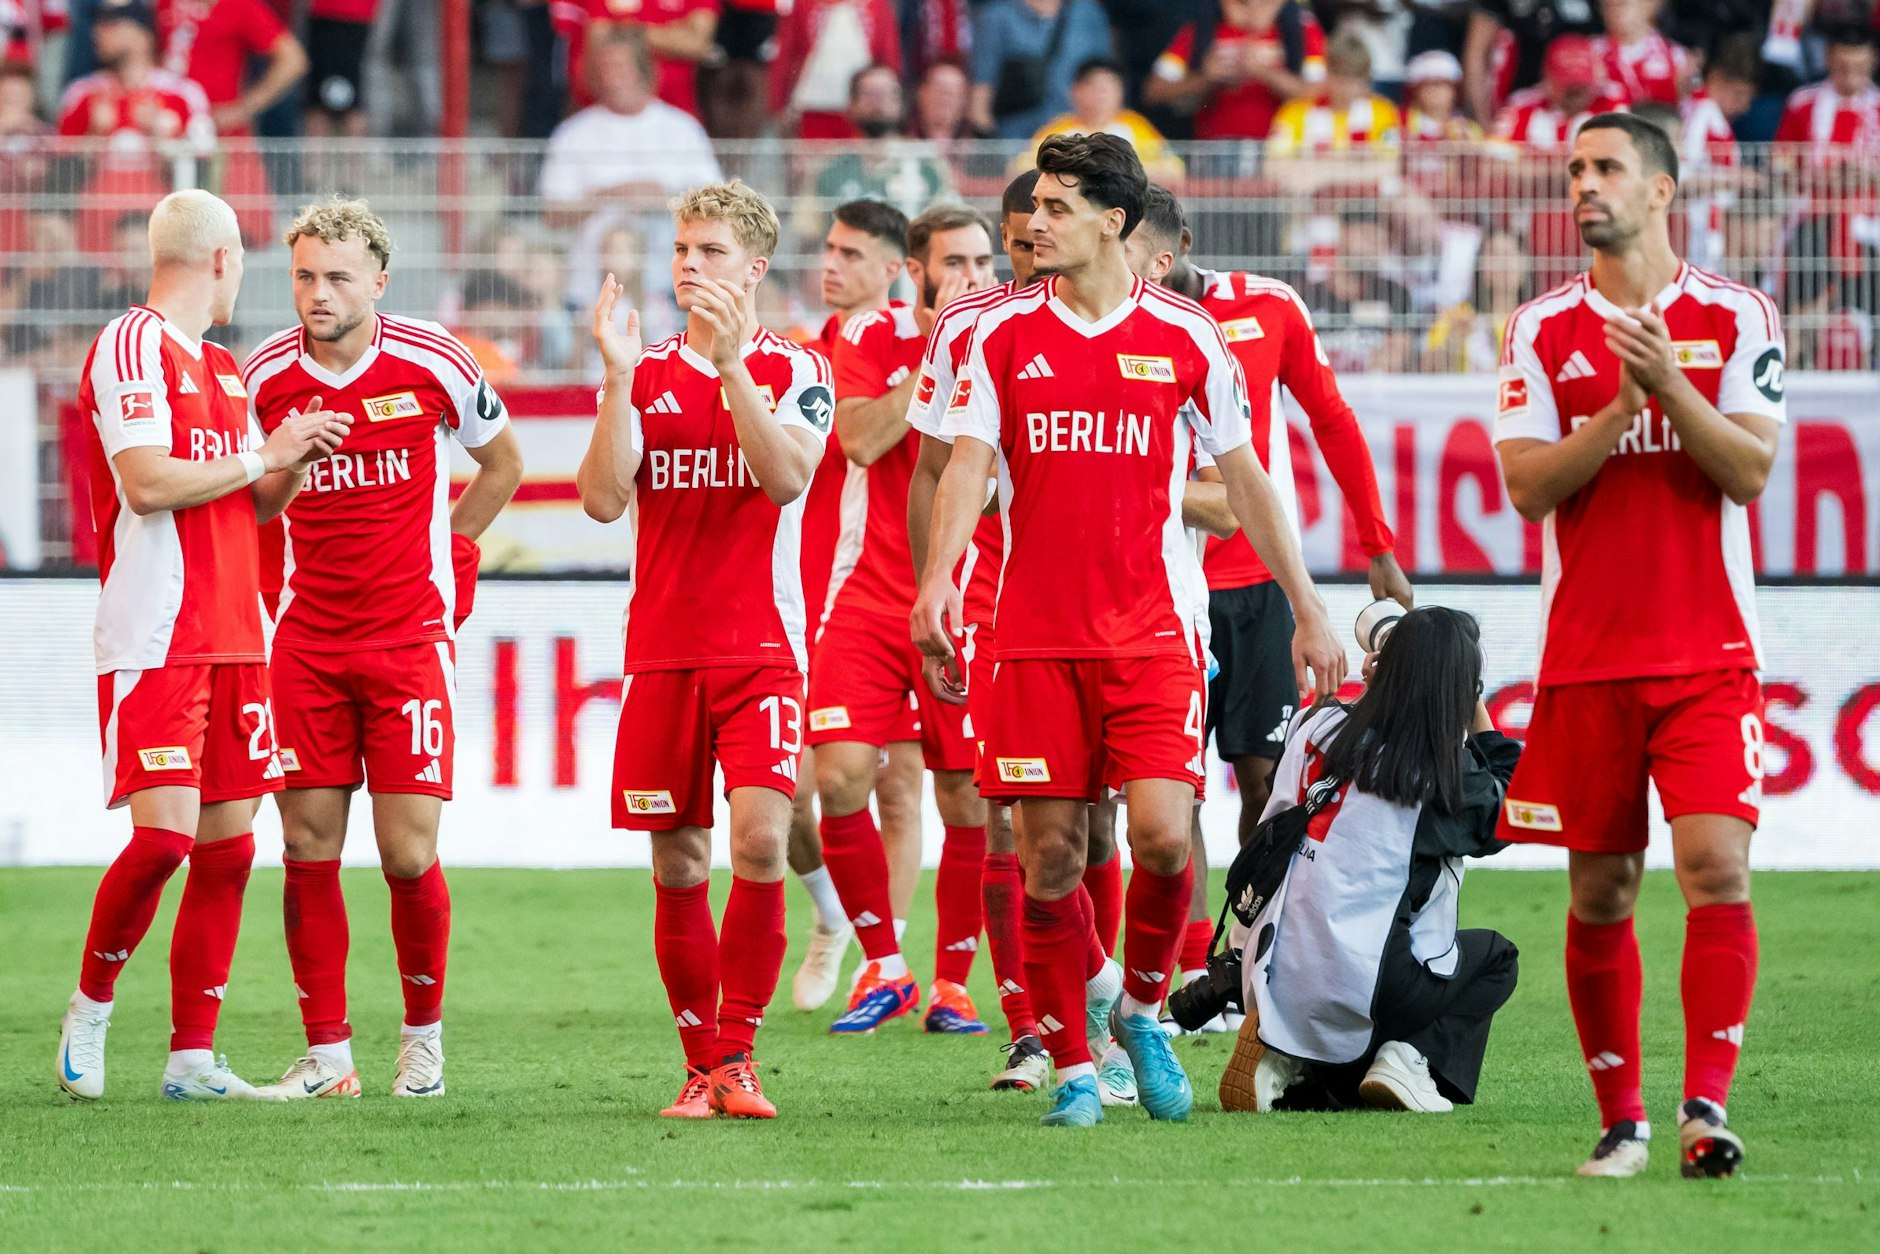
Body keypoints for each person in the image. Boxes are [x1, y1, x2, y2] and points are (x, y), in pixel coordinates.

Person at [913, 133, 1346, 1128]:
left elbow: (1246, 480)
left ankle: (1141, 1007)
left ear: (1113, 219)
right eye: (1035, 210)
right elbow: (967, 467)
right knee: (1048, 855)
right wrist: (936, 582)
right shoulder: (998, 337)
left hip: (1153, 631)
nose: (1036, 224)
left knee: (1158, 839)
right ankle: (1073, 1064)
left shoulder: (1189, 337)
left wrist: (1309, 605)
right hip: (1027, 633)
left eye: (1058, 207)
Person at [1494, 112, 1785, 1178]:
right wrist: (1619, 411)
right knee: (1599, 893)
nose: (1582, 183)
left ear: (1660, 189)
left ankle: (1703, 1107)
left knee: (1713, 869)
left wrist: (1667, 387)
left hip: (1707, 653)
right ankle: (1619, 1120)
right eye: (1572, 168)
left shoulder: (1733, 314)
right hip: (1584, 660)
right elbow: (1526, 488)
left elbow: (1748, 474)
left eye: (1605, 167)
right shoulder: (1537, 329)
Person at [55, 188, 351, 1104]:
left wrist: (296, 456)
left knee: (229, 847)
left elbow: (246, 500)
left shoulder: (223, 371)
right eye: (247, 262)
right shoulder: (132, 344)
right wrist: (263, 456)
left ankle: (192, 1056)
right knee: (164, 840)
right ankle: (90, 1007)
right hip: (158, 633)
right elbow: (146, 484)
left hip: (235, 636)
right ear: (221, 259)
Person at [239, 200, 522, 1102]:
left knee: (406, 853)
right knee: (306, 844)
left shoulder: (435, 359)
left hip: (407, 643)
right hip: (307, 642)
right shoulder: (266, 377)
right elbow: (247, 507)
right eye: (304, 276)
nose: (317, 294)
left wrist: (452, 553)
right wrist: (282, 459)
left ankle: (423, 1043)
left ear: (379, 283)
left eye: (337, 278)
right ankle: (327, 1055)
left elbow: (504, 462)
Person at [575, 180, 834, 1120]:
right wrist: (612, 378)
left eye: (711, 251)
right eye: (682, 249)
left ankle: (739, 1055)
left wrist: (730, 371)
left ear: (756, 267)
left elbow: (787, 477)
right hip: (662, 654)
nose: (689, 264)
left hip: (762, 649)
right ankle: (697, 1067)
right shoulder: (641, 374)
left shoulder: (797, 368)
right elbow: (604, 499)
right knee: (678, 863)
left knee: (761, 840)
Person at [1136, 187, 1409, 1020]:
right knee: (1169, 794)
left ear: (1179, 242)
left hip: (1259, 589)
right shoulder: (1116, 325)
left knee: (1264, 781)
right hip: (1163, 589)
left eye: (1153, 251)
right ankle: (1185, 972)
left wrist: (1378, 543)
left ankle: (1238, 955)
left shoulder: (1267, 307)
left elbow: (1331, 419)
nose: (1140, 268)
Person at [1219, 607, 1521, 1115]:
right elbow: (1513, 810)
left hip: (1266, 961)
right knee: (1495, 958)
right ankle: (1405, 1058)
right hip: (1368, 985)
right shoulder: (1438, 775)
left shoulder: (1315, 724)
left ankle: (1287, 1055)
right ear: (1458, 688)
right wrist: (1475, 711)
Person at [810, 201, 993, 1037]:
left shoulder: (1007, 341)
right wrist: (931, 357)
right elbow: (858, 439)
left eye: (984, 264)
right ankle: (883, 966)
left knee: (962, 795)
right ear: (914, 273)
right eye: (955, 265)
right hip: (869, 594)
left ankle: (953, 982)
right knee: (842, 775)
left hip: (966, 596)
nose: (974, 280)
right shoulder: (871, 337)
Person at [786, 200, 926, 1016]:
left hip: (920, 592)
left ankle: (891, 959)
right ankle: (832, 911)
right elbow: (858, 440)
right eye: (827, 249)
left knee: (902, 788)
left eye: (850, 253)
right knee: (802, 784)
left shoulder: (910, 336)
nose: (830, 264)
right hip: (828, 587)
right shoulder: (822, 351)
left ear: (893, 268)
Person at [1144, 0, 1325, 142]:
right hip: (1215, 152)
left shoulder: (1302, 30)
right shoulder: (1202, 30)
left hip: (1279, 153)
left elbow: (1320, 91)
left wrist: (1265, 73)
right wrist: (1205, 79)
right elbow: (1154, 90)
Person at [806, 64, 952, 230]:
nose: (878, 102)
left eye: (886, 93)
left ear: (900, 102)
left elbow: (949, 227)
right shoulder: (829, 168)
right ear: (851, 104)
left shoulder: (928, 164)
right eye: (869, 94)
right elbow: (807, 237)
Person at [970, 0, 1114, 140]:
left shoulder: (1087, 14)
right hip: (1017, 140)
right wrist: (996, 151)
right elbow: (981, 95)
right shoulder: (998, 16)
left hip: (1078, 140)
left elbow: (1106, 80)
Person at [1026, 57, 1182, 181]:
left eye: (1109, 87)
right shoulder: (1058, 130)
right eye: (1094, 87)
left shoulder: (1136, 126)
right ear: (1075, 91)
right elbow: (1022, 167)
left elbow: (1174, 168)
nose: (1102, 94)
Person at [1463, 0, 1604, 127]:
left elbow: (1611, 36)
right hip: (1517, 103)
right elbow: (1476, 55)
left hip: (1583, 95)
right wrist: (1484, 124)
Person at [1264, 33, 1402, 162]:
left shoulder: (1383, 112)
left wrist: (1323, 175)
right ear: (1327, 73)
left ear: (1367, 81)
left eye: (1354, 79)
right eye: (1340, 77)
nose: (1347, 88)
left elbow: (1390, 166)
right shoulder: (1295, 112)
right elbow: (1274, 165)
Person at [1491, 34, 1629, 153]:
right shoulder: (1520, 107)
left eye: (1582, 85)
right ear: (1548, 80)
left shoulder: (1610, 101)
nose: (1576, 94)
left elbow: (1623, 158)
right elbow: (1500, 163)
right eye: (1569, 87)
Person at [1590, 0, 1692, 106]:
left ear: (1648, 5)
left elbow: (1692, 110)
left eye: (1622, 4)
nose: (1614, 10)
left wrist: (1681, 93)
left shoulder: (1676, 57)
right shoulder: (1590, 53)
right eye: (1607, 5)